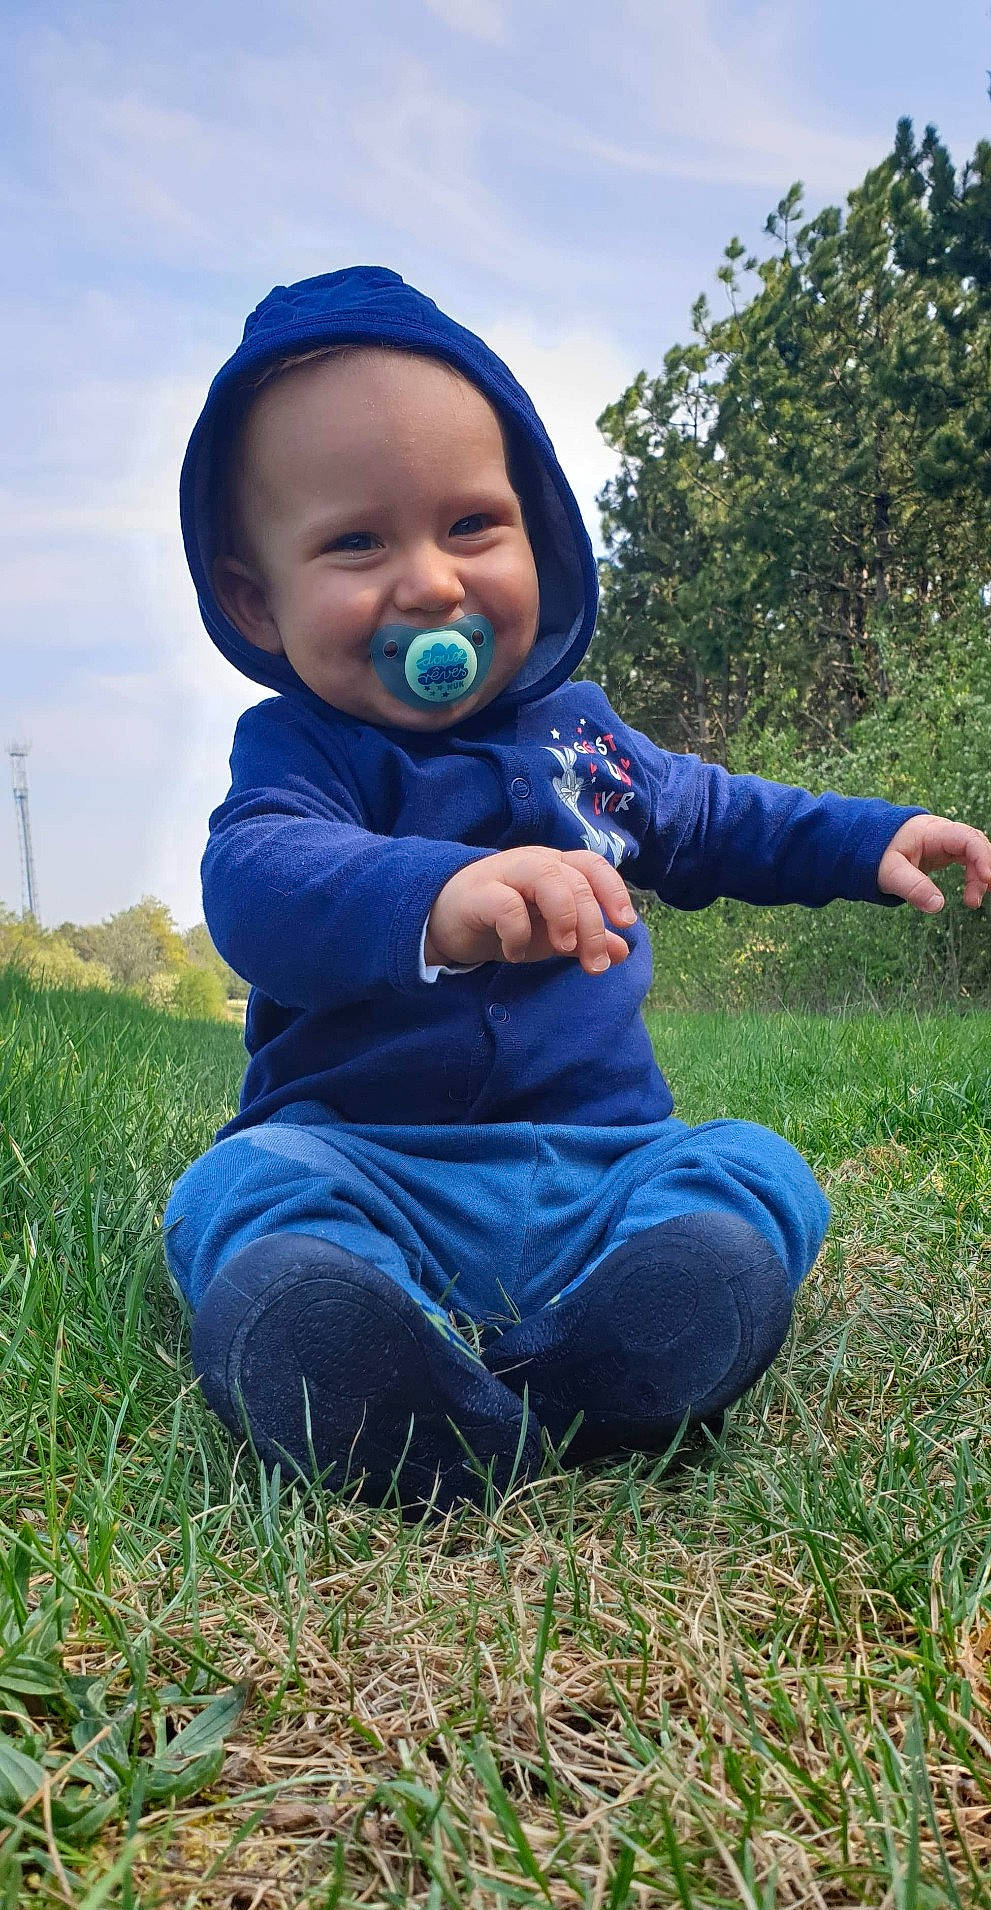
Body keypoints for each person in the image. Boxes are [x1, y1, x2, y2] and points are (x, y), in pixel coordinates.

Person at [163, 266, 991, 1511]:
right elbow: (258, 880)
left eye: (470, 525)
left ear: (538, 537)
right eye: (356, 542)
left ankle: (620, 1340)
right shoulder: (302, 752)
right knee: (237, 1191)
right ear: (254, 597)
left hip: (601, 1164)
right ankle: (355, 1333)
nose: (431, 584)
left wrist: (861, 839)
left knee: (756, 1167)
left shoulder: (584, 741)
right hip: (364, 1157)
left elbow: (717, 814)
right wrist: (438, 897)